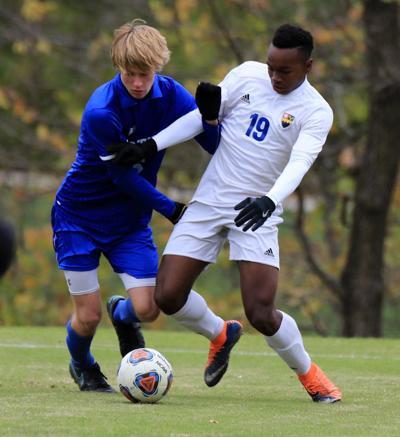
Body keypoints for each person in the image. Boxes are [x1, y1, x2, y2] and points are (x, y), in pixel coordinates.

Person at [109, 24, 342, 403]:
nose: (274, 76)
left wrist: (268, 200)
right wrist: (151, 144)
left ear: (308, 66)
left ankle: (312, 376)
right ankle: (220, 333)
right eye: (271, 67)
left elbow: (299, 163)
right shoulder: (246, 74)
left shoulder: (316, 111)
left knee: (262, 313)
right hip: (209, 201)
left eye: (285, 71)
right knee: (167, 296)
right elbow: (202, 119)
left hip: (256, 211)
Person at [51, 19, 220, 392]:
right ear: (118, 68)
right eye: (130, 74)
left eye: (145, 74)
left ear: (157, 67)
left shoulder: (171, 95)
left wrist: (209, 119)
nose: (138, 83)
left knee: (148, 308)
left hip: (128, 224)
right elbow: (122, 178)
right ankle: (84, 366)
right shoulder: (101, 111)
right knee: (88, 316)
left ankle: (122, 315)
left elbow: (211, 145)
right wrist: (172, 209)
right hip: (78, 218)